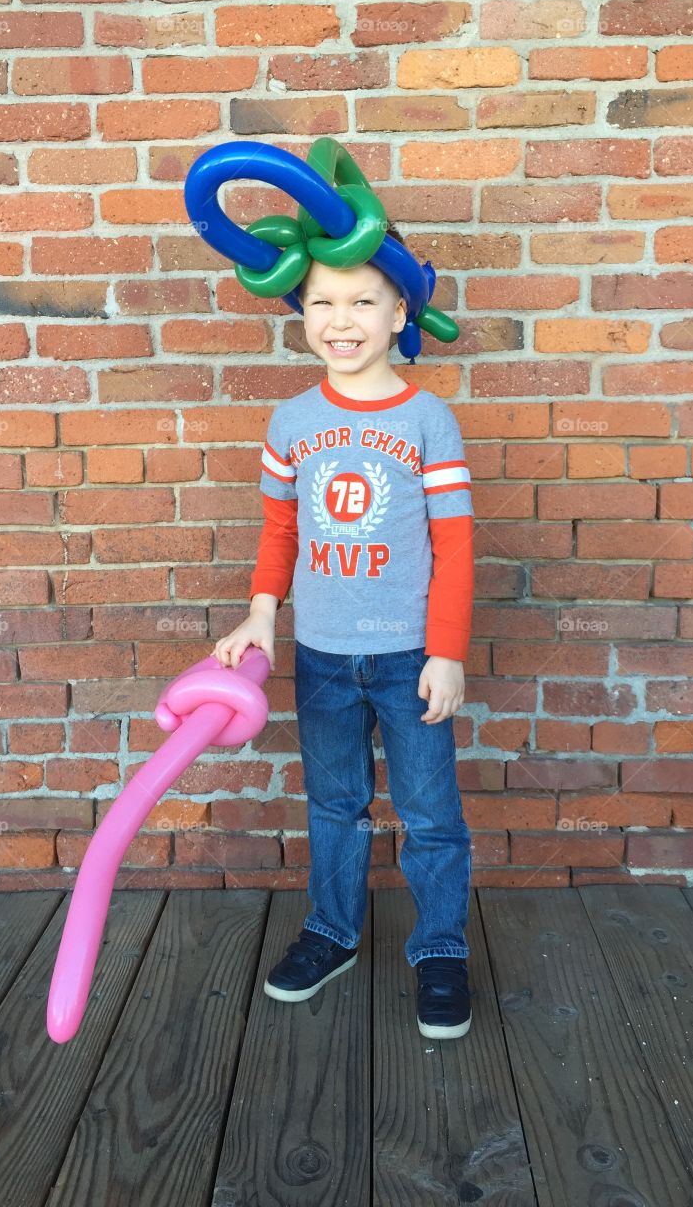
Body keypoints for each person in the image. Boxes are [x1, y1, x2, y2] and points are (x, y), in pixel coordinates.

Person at [211, 226, 475, 1039]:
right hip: (322, 654)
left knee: (429, 812)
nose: (342, 317)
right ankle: (333, 931)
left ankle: (439, 948)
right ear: (300, 312)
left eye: (364, 299)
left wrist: (447, 652)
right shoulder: (291, 421)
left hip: (407, 658)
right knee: (336, 803)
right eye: (322, 300)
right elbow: (280, 534)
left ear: (402, 311)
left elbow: (454, 545)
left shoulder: (429, 420)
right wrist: (263, 610)